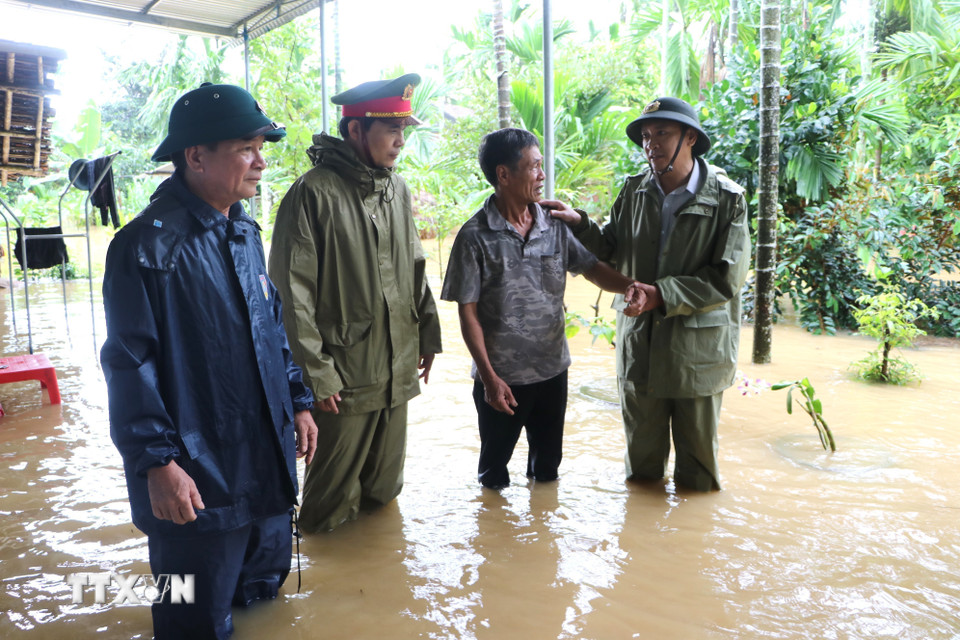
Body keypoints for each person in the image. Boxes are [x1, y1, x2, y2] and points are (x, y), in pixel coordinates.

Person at [100, 83, 318, 640]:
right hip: (194, 479)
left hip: (266, 463)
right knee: (190, 616)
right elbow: (128, 363)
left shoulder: (242, 228)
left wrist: (298, 402)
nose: (261, 160)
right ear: (196, 157)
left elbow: (272, 330)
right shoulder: (144, 245)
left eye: (261, 146)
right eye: (247, 147)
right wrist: (157, 464)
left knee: (259, 599)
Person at [547, 97, 751, 491]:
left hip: (698, 357)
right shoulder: (634, 190)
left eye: (662, 133)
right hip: (639, 346)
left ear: (690, 137)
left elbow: (727, 279)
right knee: (640, 473)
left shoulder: (728, 199)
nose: (651, 143)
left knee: (698, 479)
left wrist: (660, 294)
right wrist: (579, 223)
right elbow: (611, 247)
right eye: (645, 135)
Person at [269, 73, 442, 533]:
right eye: (391, 131)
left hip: (397, 371)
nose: (401, 142)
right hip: (344, 382)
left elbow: (415, 267)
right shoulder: (314, 193)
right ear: (355, 131)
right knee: (326, 511)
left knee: (384, 497)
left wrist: (427, 335)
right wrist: (318, 376)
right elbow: (290, 297)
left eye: (404, 131)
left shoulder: (396, 189)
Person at [441, 128, 645, 490]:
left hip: (552, 371)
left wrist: (630, 286)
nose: (542, 175)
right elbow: (467, 312)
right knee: (493, 475)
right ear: (503, 175)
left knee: (547, 472)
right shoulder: (474, 236)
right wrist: (489, 378)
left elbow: (591, 268)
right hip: (501, 380)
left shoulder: (553, 223)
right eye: (534, 166)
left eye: (541, 165)